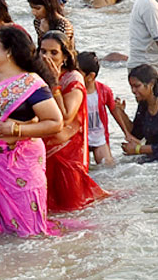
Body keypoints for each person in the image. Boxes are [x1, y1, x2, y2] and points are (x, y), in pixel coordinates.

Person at [0, 27, 64, 236]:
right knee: (1, 230)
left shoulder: (31, 85)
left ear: (9, 52)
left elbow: (55, 122)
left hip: (21, 165)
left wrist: (16, 129)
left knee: (29, 231)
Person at [38, 30, 108, 212]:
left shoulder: (73, 78)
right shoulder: (36, 76)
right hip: (43, 149)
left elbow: (66, 117)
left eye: (54, 53)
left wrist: (54, 84)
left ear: (65, 57)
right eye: (43, 51)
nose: (47, 57)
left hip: (67, 153)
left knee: (72, 210)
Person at [78, 50, 130, 166]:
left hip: (99, 137)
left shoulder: (104, 91)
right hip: (81, 138)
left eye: (78, 73)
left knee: (108, 167)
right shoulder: (74, 92)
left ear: (90, 76)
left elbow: (114, 111)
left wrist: (126, 133)